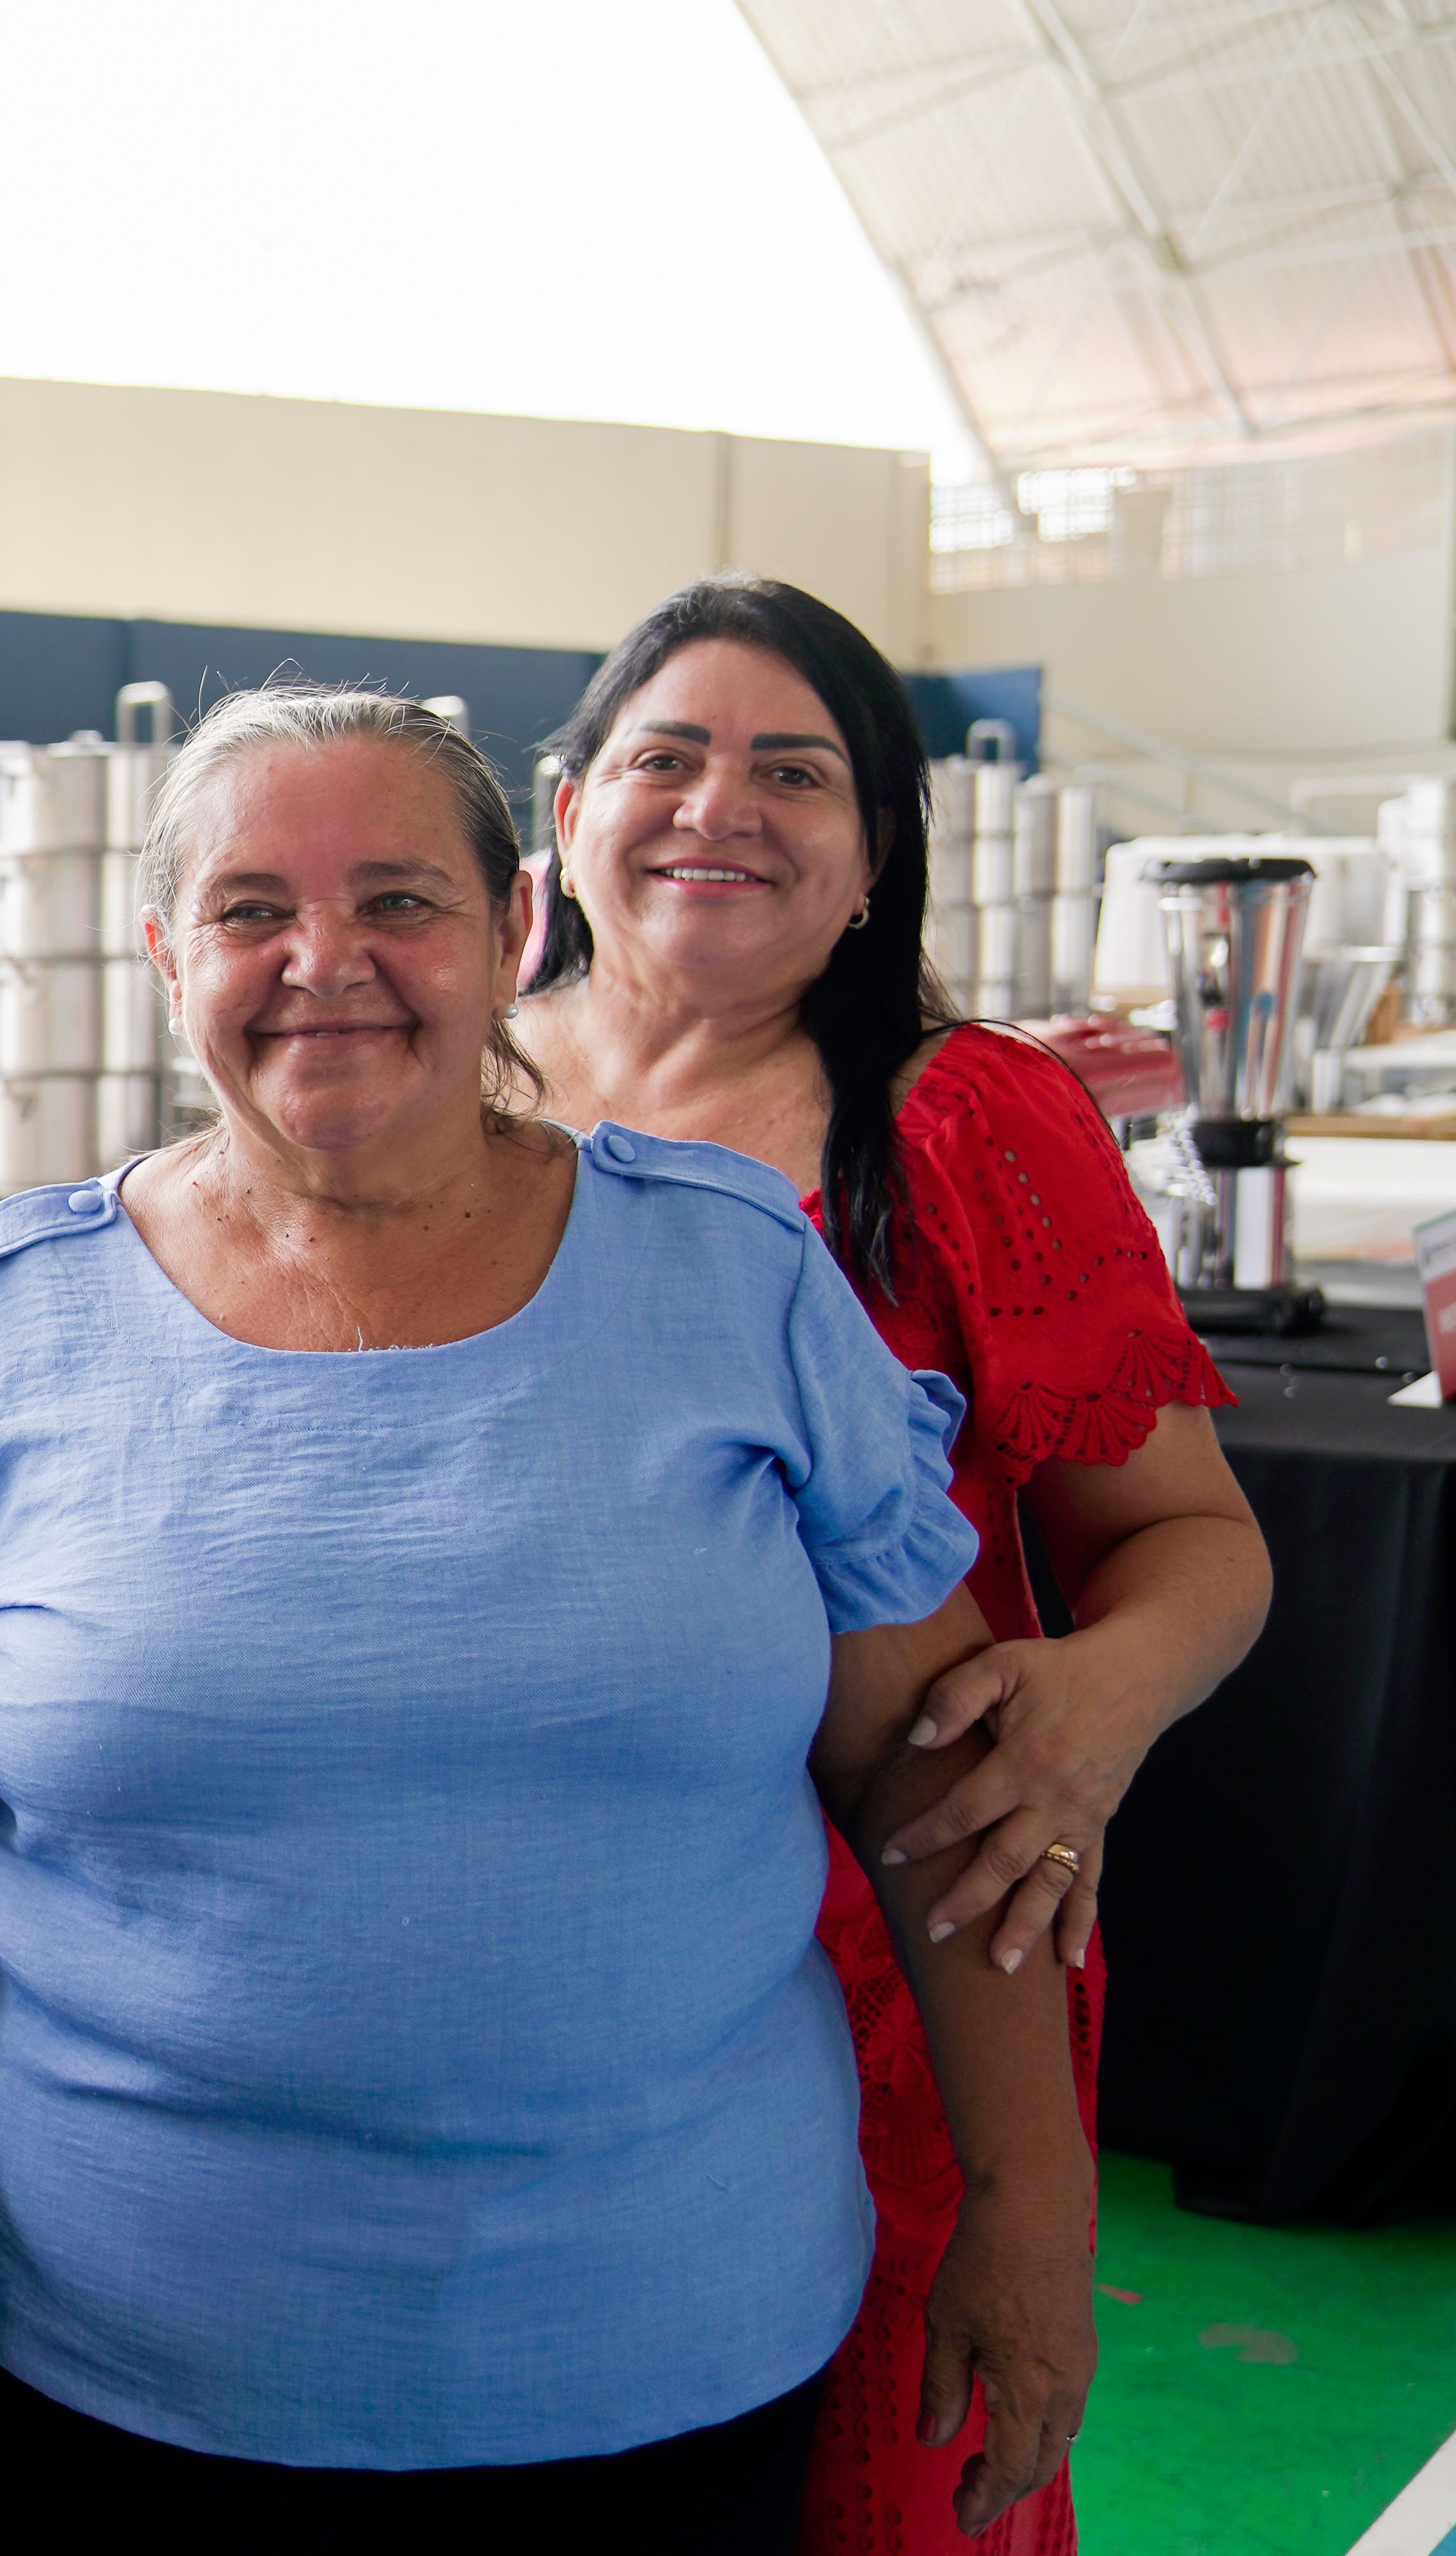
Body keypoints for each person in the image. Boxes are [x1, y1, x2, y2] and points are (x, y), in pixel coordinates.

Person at [0, 685, 1098, 2548]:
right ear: (167, 958)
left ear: (513, 932)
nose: (327, 963)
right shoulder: (5, 1330)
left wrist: (1033, 2209)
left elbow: (942, 1792)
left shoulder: (735, 1280)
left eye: (398, 900)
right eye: (252, 911)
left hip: (672, 2355)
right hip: (122, 2368)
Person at [517, 578, 1271, 2555]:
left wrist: (1098, 1705)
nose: (719, 807)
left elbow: (1196, 1543)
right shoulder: (465, 1097)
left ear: (874, 857)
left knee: (870, 2486)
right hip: (534, 1967)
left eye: (795, 770)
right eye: (665, 758)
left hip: (892, 1976)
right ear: (568, 809)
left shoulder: (960, 1123)